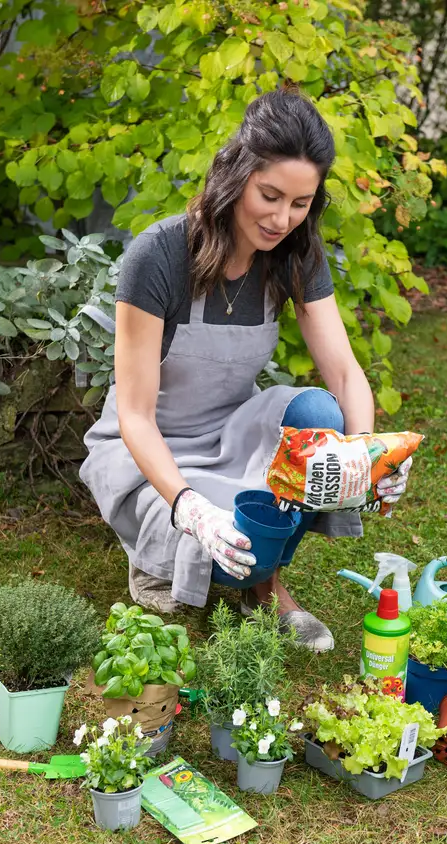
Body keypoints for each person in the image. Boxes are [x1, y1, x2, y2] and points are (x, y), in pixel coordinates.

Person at [79, 87, 411, 652]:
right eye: (270, 195)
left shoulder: (297, 252)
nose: (283, 218)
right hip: (149, 446)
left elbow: (347, 375)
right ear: (235, 175)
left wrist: (369, 454)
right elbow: (134, 416)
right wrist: (192, 510)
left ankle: (266, 588)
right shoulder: (157, 256)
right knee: (224, 554)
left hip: (232, 431)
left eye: (301, 203)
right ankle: (175, 560)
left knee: (318, 416)